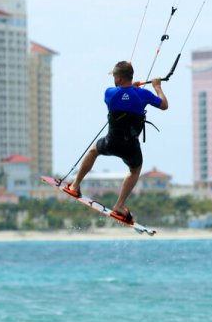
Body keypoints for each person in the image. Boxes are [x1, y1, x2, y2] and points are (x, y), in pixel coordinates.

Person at [63, 60, 168, 223]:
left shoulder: (109, 93)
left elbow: (123, 95)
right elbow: (164, 105)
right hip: (131, 147)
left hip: (111, 142)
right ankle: (119, 205)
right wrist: (157, 87)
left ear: (119, 78)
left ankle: (75, 185)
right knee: (135, 170)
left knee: (93, 151)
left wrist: (131, 89)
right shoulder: (143, 95)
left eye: (114, 77)